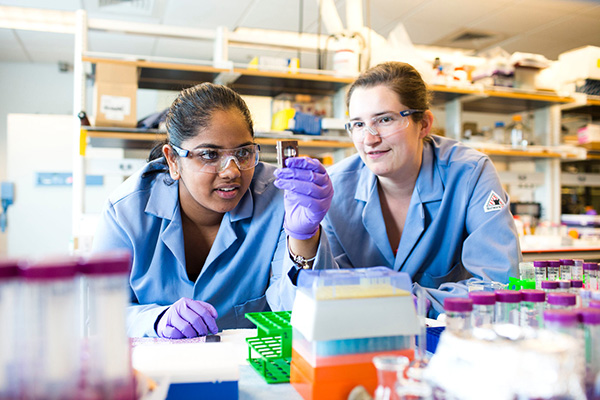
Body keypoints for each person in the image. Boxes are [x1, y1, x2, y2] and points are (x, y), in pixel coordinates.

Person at [276, 61, 521, 316]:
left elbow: (502, 287)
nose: (370, 139)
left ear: (424, 124)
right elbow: (310, 303)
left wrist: (410, 304)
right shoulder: (334, 187)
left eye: (384, 119)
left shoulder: (469, 173)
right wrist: (304, 240)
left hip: (448, 340)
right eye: (358, 124)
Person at [92, 82, 334, 338]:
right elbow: (96, 317)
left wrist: (304, 237)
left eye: (243, 153)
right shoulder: (126, 212)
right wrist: (155, 320)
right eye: (209, 154)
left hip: (248, 368)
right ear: (173, 160)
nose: (232, 171)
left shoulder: (282, 198)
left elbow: (300, 318)